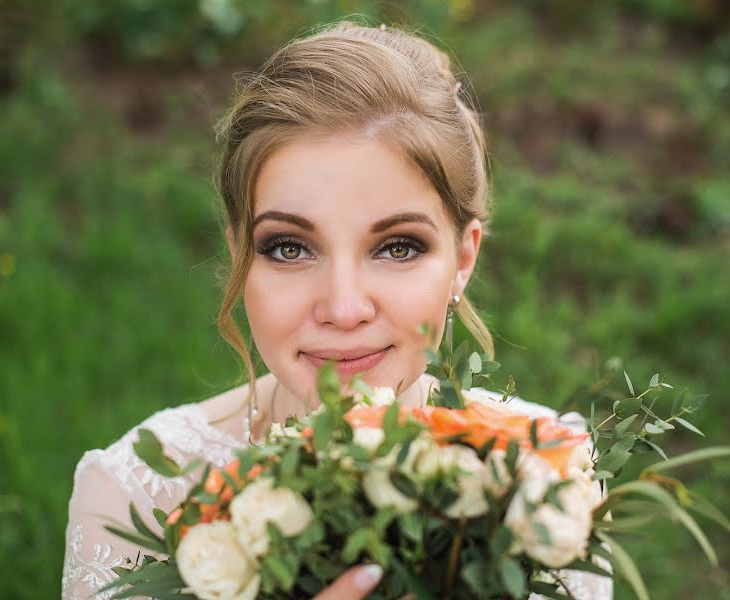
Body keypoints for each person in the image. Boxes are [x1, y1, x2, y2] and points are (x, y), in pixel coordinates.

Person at [62, 21, 611, 599]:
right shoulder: (135, 496)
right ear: (240, 256)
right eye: (290, 248)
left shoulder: (548, 477)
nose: (344, 309)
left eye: (397, 247)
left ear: (463, 258)